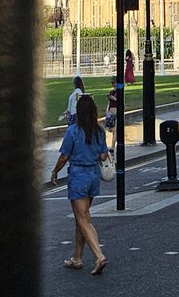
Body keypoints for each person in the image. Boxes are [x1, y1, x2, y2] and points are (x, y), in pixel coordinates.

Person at [50, 94, 109, 275]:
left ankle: (99, 256)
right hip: (93, 175)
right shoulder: (99, 131)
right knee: (80, 218)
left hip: (78, 175)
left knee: (83, 219)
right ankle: (77, 258)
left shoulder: (73, 131)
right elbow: (103, 155)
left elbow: (64, 156)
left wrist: (54, 171)